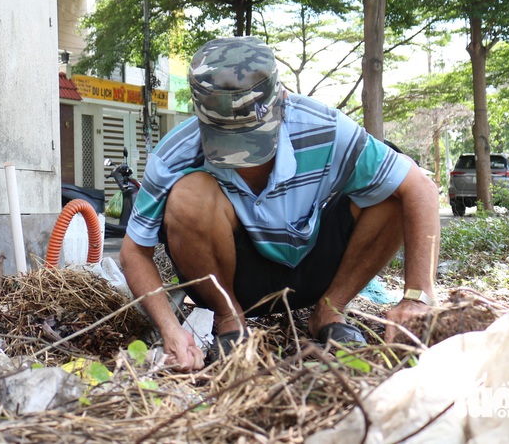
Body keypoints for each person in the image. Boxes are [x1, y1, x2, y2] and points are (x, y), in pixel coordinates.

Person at [119, 37, 441, 372]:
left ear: (282, 99)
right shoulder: (174, 154)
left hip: (314, 267)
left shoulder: (325, 128)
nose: (245, 160)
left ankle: (331, 310)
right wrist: (170, 328)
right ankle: (230, 321)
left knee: (392, 190)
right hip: (231, 279)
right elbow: (133, 252)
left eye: (254, 135)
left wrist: (417, 297)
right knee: (189, 195)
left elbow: (421, 188)